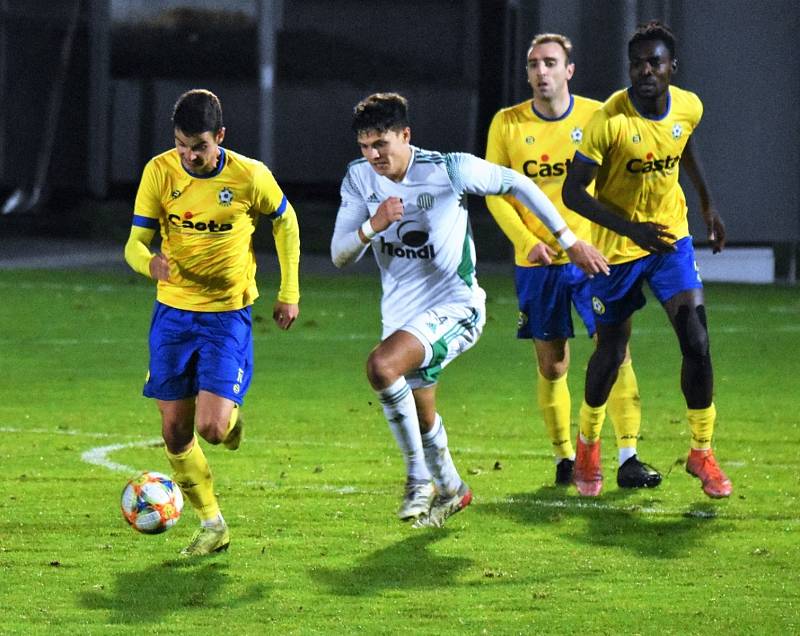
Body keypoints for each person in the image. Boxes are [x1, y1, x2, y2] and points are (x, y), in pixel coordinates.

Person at [331, 92, 608, 527]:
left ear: (406, 135)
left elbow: (518, 183)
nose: (373, 155)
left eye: (381, 143)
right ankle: (453, 488)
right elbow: (339, 255)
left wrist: (568, 242)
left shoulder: (448, 169)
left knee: (382, 367)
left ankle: (417, 480)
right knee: (422, 419)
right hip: (401, 317)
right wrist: (373, 225)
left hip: (456, 307)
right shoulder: (358, 178)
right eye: (365, 146)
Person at [124, 89, 301, 555]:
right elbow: (135, 243)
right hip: (173, 316)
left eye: (199, 146)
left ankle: (230, 414)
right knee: (174, 432)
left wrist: (289, 292)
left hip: (226, 316)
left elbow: (286, 222)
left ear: (219, 137)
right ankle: (212, 524)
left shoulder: (249, 176)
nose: (190, 155)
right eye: (182, 144)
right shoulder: (159, 172)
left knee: (214, 431)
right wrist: (149, 264)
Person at [562, 21, 732, 498]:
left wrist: (706, 204)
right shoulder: (609, 122)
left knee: (697, 340)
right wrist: (630, 229)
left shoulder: (689, 105)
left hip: (670, 241)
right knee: (611, 354)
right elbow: (573, 192)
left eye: (654, 62)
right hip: (619, 250)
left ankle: (701, 451)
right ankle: (589, 442)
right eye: (637, 63)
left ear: (671, 68)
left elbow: (684, 144)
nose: (645, 71)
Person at [485, 33, 661, 490]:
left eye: (549, 63)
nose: (540, 71)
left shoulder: (596, 116)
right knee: (553, 365)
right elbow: (497, 196)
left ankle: (628, 456)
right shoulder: (506, 124)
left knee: (617, 351)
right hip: (537, 263)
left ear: (569, 70)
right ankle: (565, 458)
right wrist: (525, 241)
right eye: (532, 64)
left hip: (594, 257)